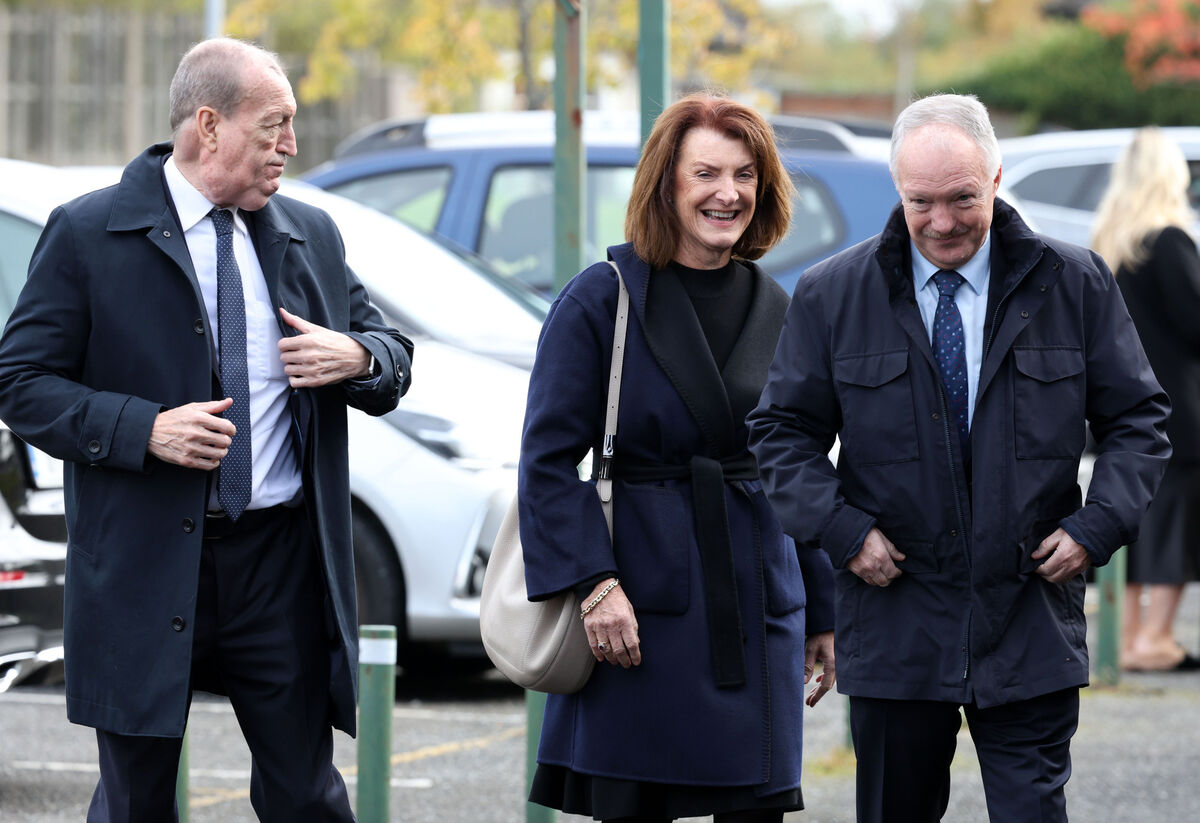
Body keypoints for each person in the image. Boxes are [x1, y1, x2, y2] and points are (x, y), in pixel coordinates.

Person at [0, 37, 413, 822]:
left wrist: (357, 354)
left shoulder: (310, 233)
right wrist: (143, 428)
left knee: (308, 799)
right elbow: (18, 381)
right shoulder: (88, 233)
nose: (292, 145)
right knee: (135, 802)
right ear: (208, 125)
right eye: (275, 125)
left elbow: (393, 355)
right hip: (142, 563)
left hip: (277, 564)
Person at [747, 94, 1171, 823]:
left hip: (1029, 615)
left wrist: (1096, 527)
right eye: (922, 201)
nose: (942, 222)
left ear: (997, 177)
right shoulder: (832, 294)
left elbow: (1139, 420)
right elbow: (781, 434)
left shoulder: (1074, 284)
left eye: (962, 198)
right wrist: (844, 532)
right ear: (896, 190)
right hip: (895, 622)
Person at [516, 92, 837, 823]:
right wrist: (594, 585)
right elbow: (545, 462)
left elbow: (799, 463)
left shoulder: (778, 305)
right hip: (637, 608)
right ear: (666, 183)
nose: (729, 193)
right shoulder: (603, 299)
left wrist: (822, 605)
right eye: (707, 174)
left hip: (758, 603)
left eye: (746, 175)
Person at [1091, 127, 1200, 672]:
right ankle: (1154, 637)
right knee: (1178, 520)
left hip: (1119, 402)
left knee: (1134, 515)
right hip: (1179, 407)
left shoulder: (1107, 241)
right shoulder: (1170, 241)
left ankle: (1126, 633)